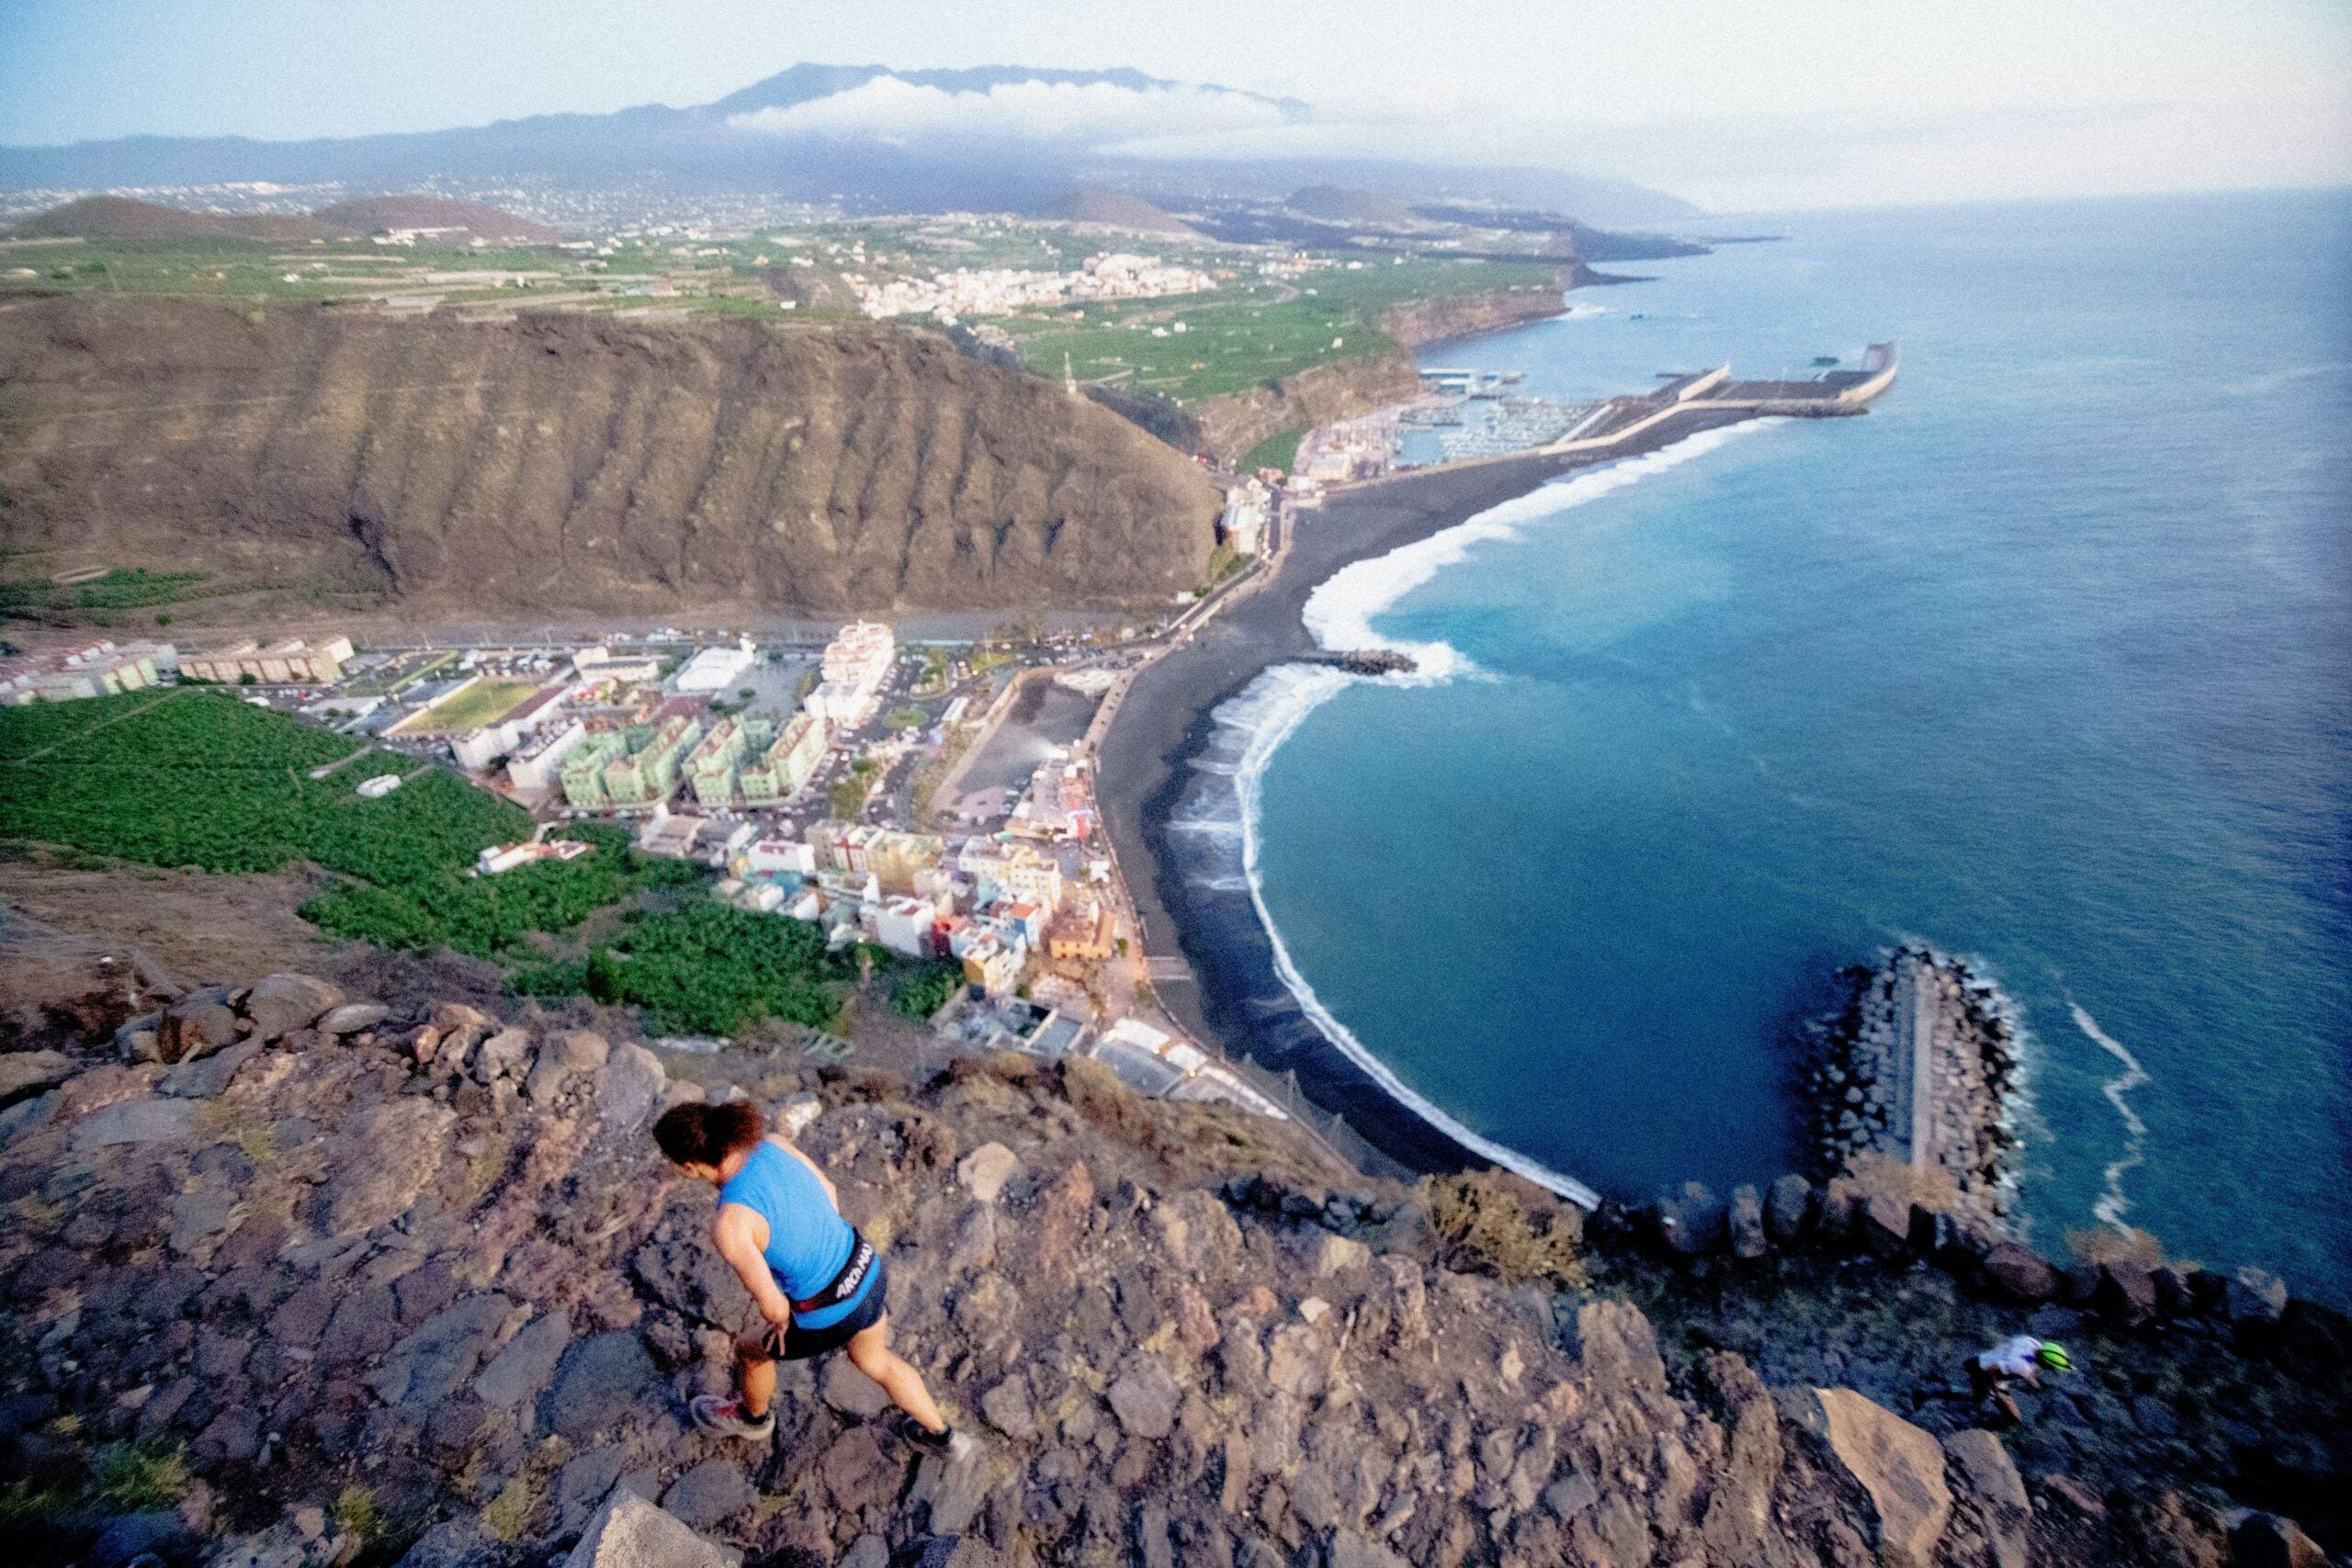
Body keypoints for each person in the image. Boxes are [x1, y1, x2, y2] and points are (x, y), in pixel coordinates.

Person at [653, 1099, 969, 1455]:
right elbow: (829, 1193)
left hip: (829, 1311)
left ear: (690, 1166)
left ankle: (751, 1419)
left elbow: (774, 1307)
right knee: (873, 1359)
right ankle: (944, 1438)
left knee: (749, 1351)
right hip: (865, 1269)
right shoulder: (771, 1144)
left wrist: (779, 1322)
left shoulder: (731, 1224)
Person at [1967, 1334, 2071, 1423]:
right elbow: (1990, 1370)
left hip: (1981, 1359)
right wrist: (1995, 1392)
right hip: (1982, 1370)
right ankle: (1983, 1432)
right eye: (2051, 1367)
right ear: (2045, 1363)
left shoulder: (2031, 1341)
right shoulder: (2023, 1367)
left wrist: (2032, 1381)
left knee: (1978, 1396)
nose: (2051, 1369)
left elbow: (2024, 1359)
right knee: (2013, 1418)